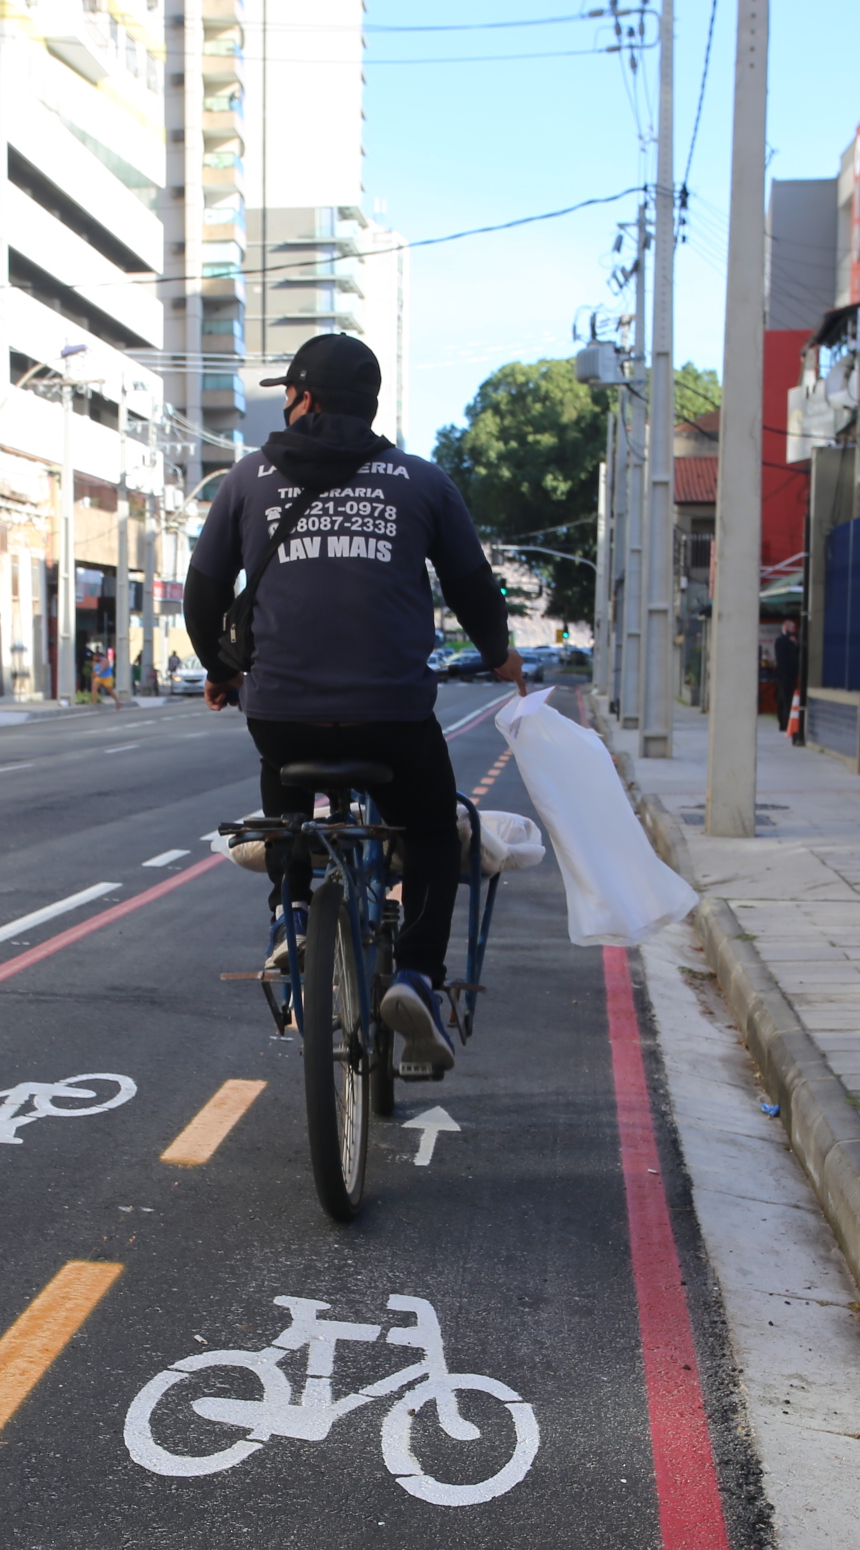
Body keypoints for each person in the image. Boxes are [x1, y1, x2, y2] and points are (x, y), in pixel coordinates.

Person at [185, 332, 523, 1076]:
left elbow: (203, 595)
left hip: (281, 715)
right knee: (433, 828)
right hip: (394, 717)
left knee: (287, 798)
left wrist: (219, 667)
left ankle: (294, 915)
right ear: (367, 405)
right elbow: (473, 589)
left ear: (302, 398)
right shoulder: (423, 481)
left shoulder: (245, 480)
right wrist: (500, 656)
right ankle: (415, 978)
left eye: (287, 393)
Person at [770, 616, 805, 745]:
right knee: (785, 697)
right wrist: (791, 643)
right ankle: (784, 723)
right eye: (792, 628)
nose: (793, 631)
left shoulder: (793, 641)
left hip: (792, 673)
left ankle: (785, 721)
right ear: (786, 628)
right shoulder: (781, 640)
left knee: (787, 698)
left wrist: (795, 643)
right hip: (784, 674)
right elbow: (782, 657)